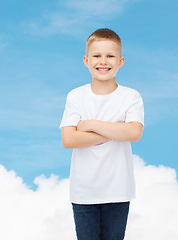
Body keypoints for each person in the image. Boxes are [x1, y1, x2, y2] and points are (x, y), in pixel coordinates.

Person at [59, 28, 144, 240]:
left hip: (118, 189)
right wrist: (116, 131)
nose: (103, 61)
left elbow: (134, 132)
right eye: (97, 56)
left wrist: (90, 124)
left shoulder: (131, 96)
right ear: (86, 60)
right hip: (83, 191)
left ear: (121, 61)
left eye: (110, 56)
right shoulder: (76, 96)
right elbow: (69, 139)